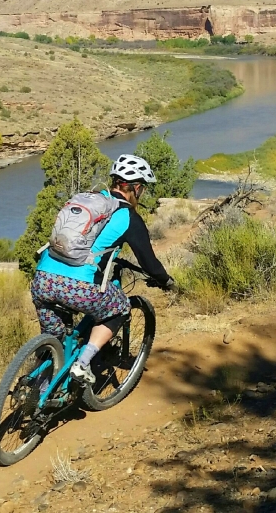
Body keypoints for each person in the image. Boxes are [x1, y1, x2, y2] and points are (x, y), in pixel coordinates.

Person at [31, 153, 174, 385]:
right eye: (143, 189)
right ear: (135, 188)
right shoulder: (127, 215)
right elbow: (149, 263)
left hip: (43, 279)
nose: (142, 193)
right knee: (119, 309)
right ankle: (82, 363)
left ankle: (38, 387)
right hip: (78, 286)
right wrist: (165, 280)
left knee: (54, 339)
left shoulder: (90, 200)